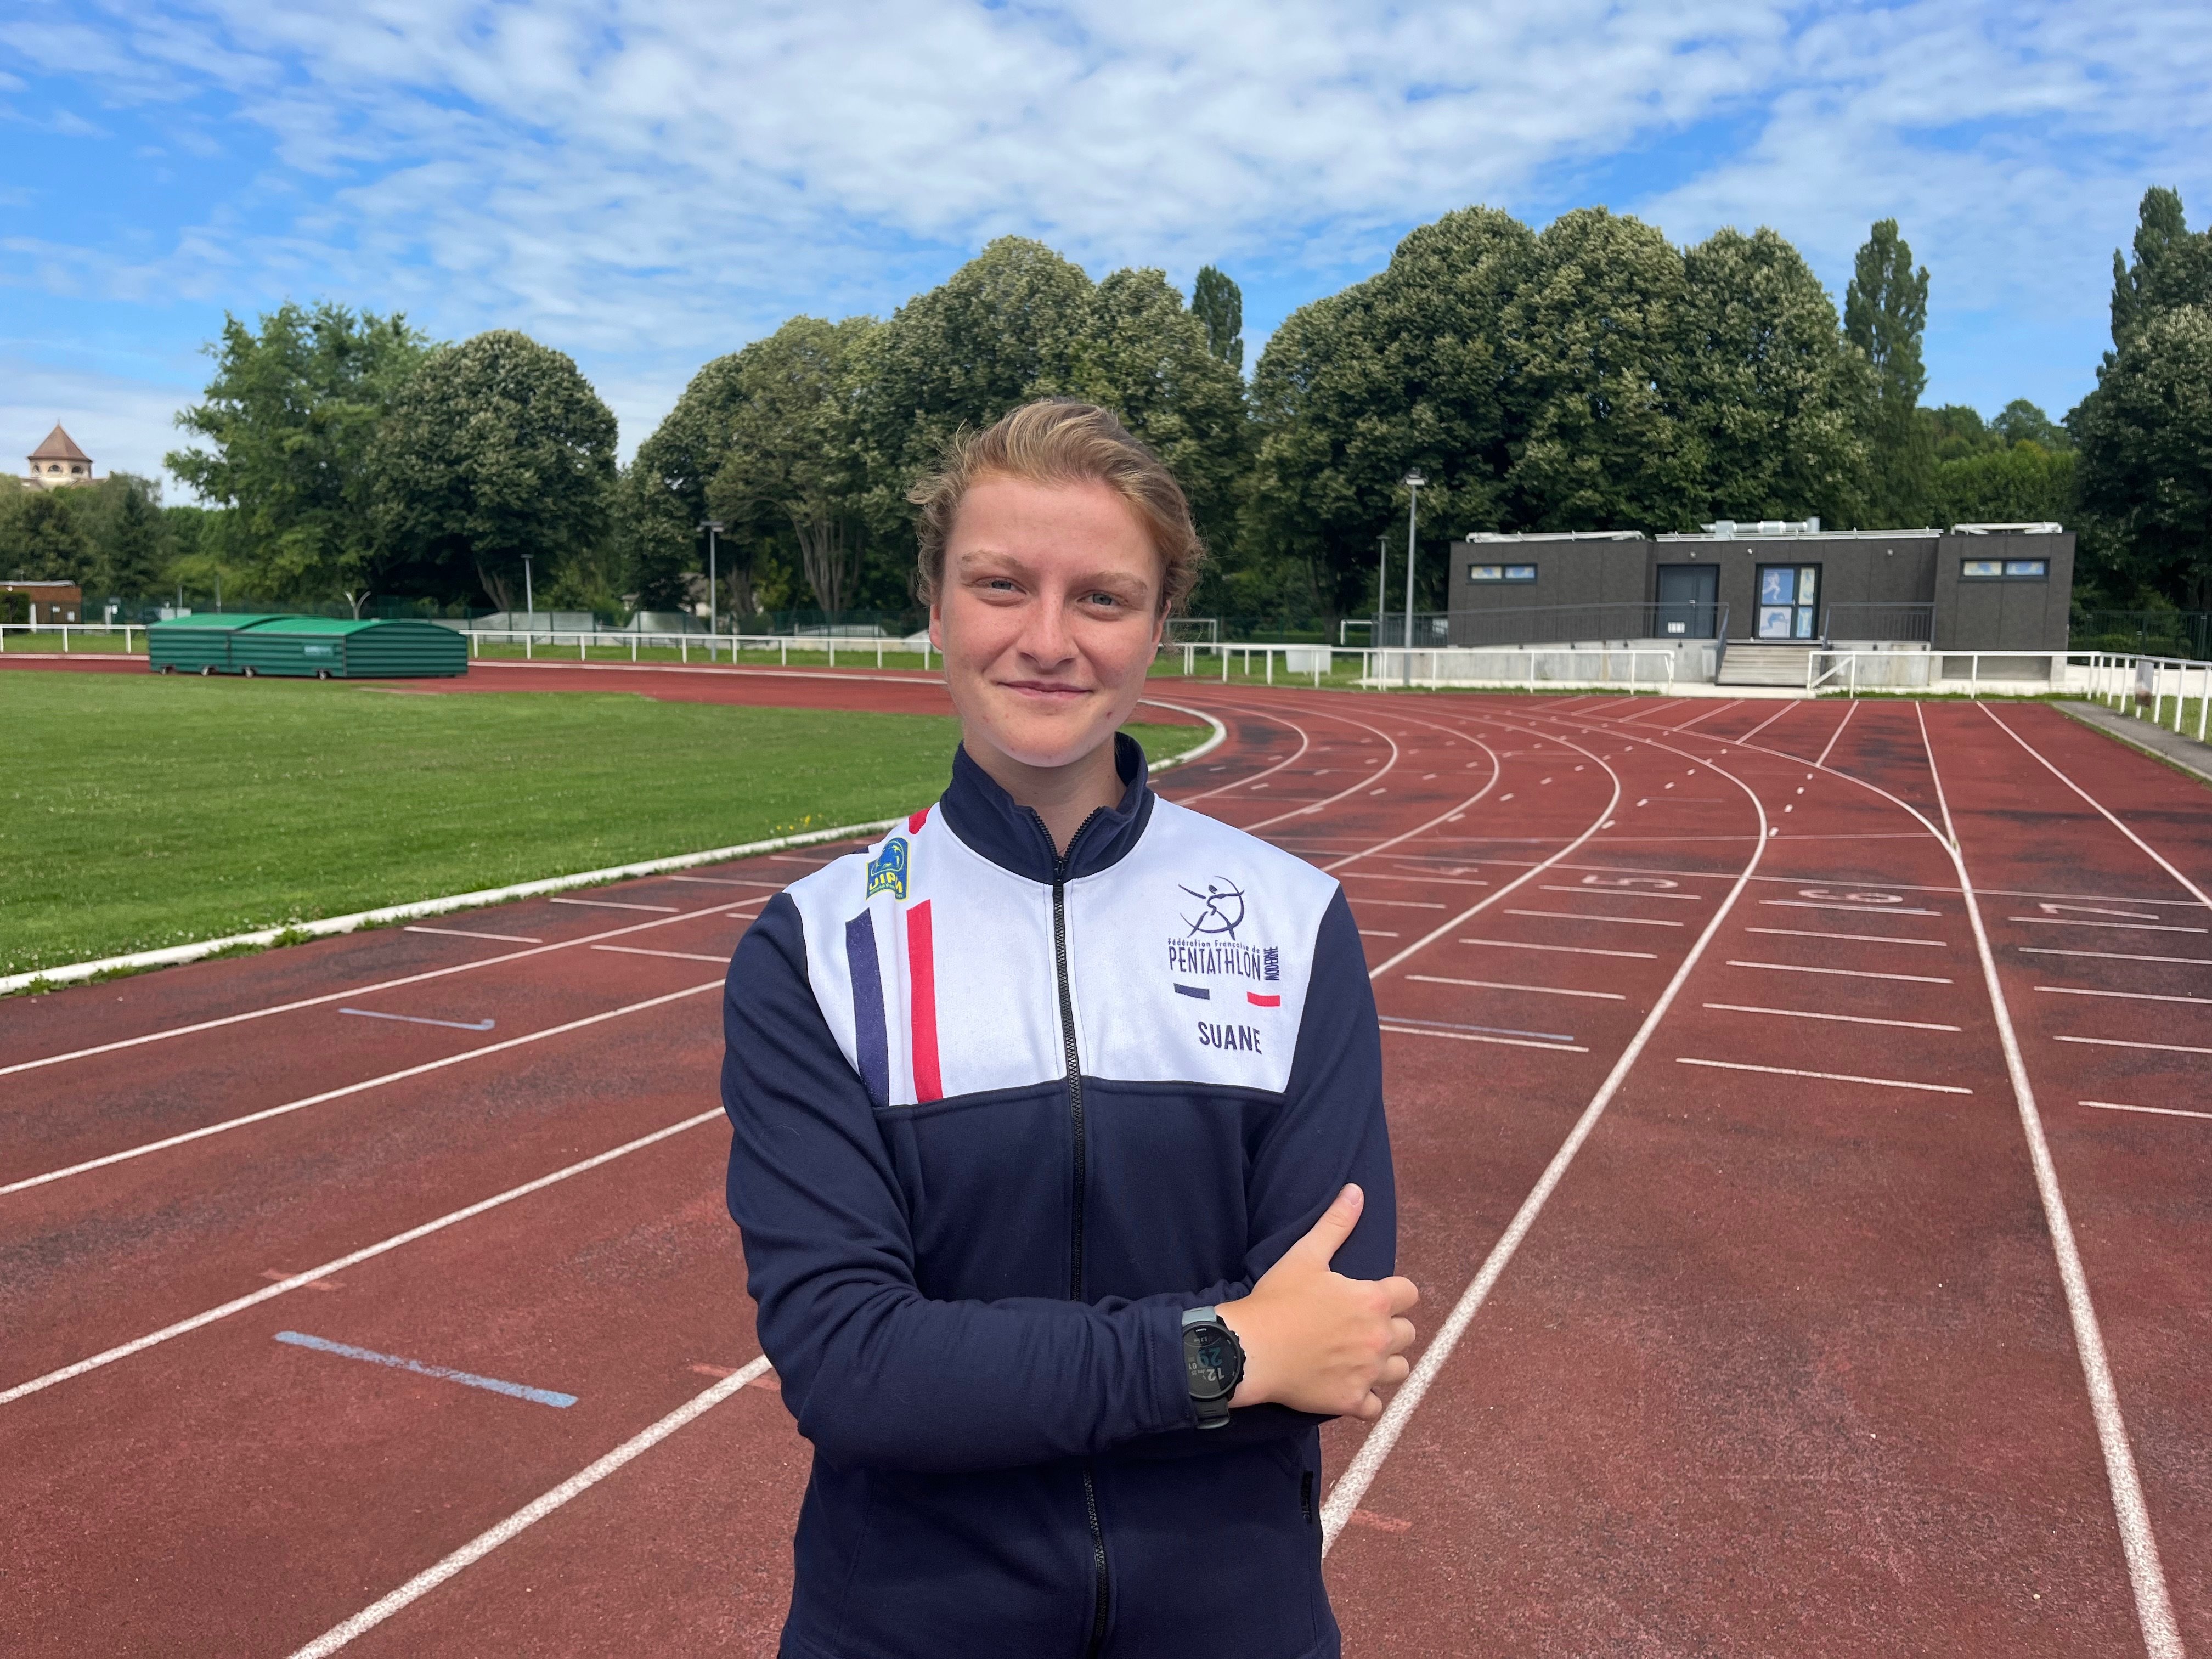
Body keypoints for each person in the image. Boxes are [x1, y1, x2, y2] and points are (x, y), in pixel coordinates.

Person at [720, 399, 1418, 1658]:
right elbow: (855, 1372)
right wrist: (1226, 1351)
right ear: (935, 610)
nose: (1047, 640)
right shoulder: (815, 949)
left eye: (1101, 598)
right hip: (903, 1627)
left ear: (1157, 629)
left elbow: (1335, 1334)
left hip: (1234, 1625)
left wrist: (998, 1373)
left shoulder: (1293, 921)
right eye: (1001, 585)